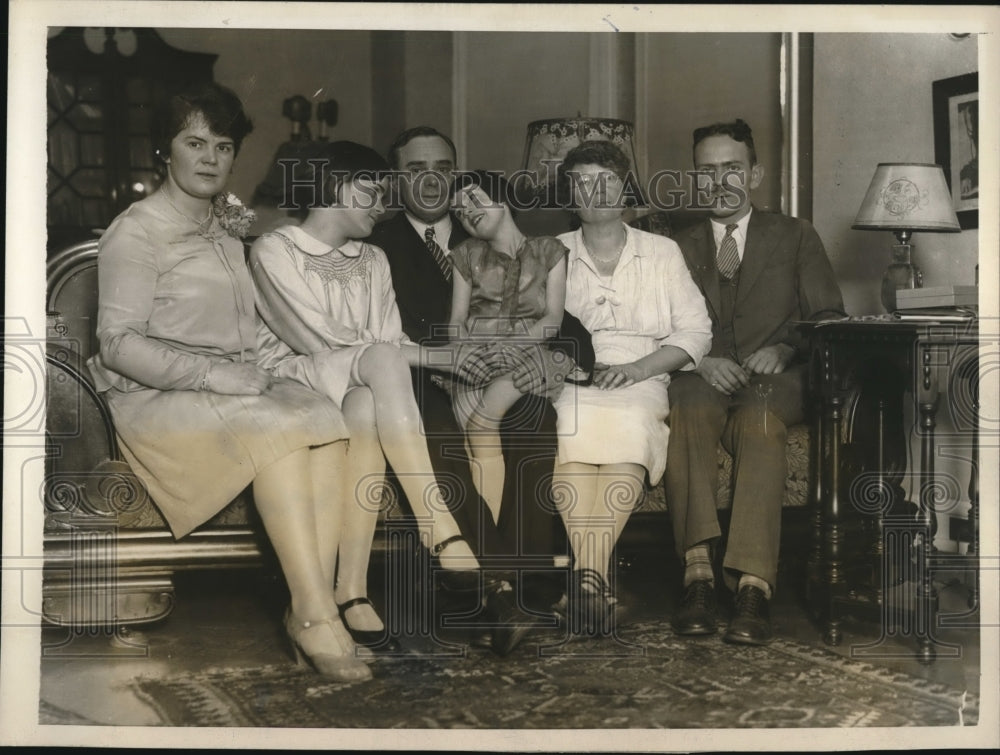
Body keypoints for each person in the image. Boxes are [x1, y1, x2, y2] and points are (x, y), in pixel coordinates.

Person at [87, 82, 372, 681]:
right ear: (165, 151)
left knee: (325, 416)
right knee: (281, 427)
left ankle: (309, 610)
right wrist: (218, 374)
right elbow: (117, 343)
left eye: (222, 145)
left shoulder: (226, 226)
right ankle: (320, 615)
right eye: (194, 142)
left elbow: (242, 326)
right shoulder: (136, 230)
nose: (210, 158)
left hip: (224, 388)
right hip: (152, 397)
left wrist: (266, 371)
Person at [250, 140, 537, 656]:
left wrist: (445, 359)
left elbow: (388, 341)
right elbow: (319, 337)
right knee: (379, 368)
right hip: (292, 379)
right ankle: (440, 530)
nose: (382, 203)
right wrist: (432, 359)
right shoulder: (276, 248)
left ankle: (351, 589)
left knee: (366, 405)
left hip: (359, 382)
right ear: (333, 188)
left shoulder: (374, 257)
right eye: (370, 190)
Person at [368, 127, 591, 605]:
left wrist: (557, 357)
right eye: (416, 170)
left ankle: (530, 579)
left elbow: (565, 325)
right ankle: (492, 581)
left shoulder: (491, 236)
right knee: (437, 427)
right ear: (394, 179)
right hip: (419, 381)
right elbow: (379, 336)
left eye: (443, 170)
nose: (432, 182)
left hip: (498, 377)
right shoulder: (375, 244)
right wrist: (449, 359)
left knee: (535, 414)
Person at [665, 118, 845, 645]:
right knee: (687, 408)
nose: (719, 181)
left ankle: (753, 585)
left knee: (761, 421)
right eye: (706, 171)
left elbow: (829, 316)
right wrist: (698, 360)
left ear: (755, 174)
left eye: (732, 169)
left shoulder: (794, 235)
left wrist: (786, 347)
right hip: (703, 375)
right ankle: (697, 572)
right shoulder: (672, 246)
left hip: (776, 381)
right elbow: (655, 326)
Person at [551, 140, 713, 636]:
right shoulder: (552, 251)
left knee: (630, 424)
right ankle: (594, 580)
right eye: (582, 183)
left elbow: (695, 332)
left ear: (625, 190)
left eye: (606, 182)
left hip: (643, 372)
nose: (594, 193)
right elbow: (534, 327)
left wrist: (640, 369)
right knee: (569, 431)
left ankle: (584, 578)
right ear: (570, 193)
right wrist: (565, 365)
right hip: (572, 372)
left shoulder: (661, 251)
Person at [447, 170, 586, 522]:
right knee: (471, 434)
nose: (467, 211)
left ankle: (491, 548)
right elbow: (456, 320)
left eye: (473, 199)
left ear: (503, 199)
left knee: (482, 422)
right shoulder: (465, 255)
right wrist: (467, 351)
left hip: (531, 352)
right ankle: (490, 544)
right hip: (479, 355)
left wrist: (510, 346)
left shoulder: (549, 251)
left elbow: (553, 318)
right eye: (459, 210)